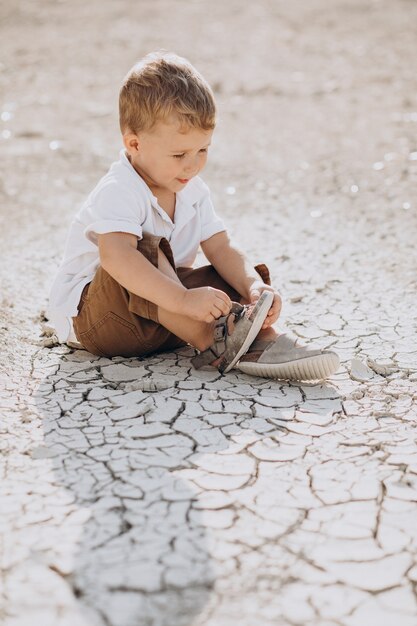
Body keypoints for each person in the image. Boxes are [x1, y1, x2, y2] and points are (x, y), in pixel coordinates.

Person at [47, 52, 339, 380]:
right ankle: (214, 341)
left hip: (163, 320)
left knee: (222, 277)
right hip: (100, 321)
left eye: (203, 150)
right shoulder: (119, 189)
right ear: (134, 144)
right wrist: (183, 300)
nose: (193, 165)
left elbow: (221, 246)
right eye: (179, 154)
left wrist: (252, 285)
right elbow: (115, 257)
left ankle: (262, 340)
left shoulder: (192, 190)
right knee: (145, 250)